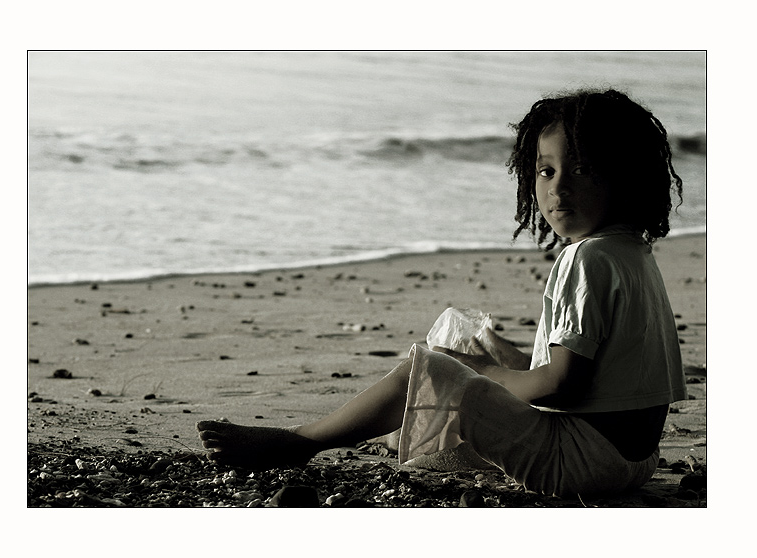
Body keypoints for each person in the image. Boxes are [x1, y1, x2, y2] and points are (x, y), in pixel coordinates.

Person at [196, 88, 688, 498]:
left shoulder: (587, 259)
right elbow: (602, 377)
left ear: (624, 175)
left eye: (581, 170)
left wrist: (482, 372)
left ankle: (299, 441)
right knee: (462, 337)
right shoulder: (631, 253)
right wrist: (489, 363)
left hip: (578, 463)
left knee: (427, 366)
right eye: (546, 171)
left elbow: (562, 386)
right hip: (633, 459)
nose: (558, 189)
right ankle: (400, 429)